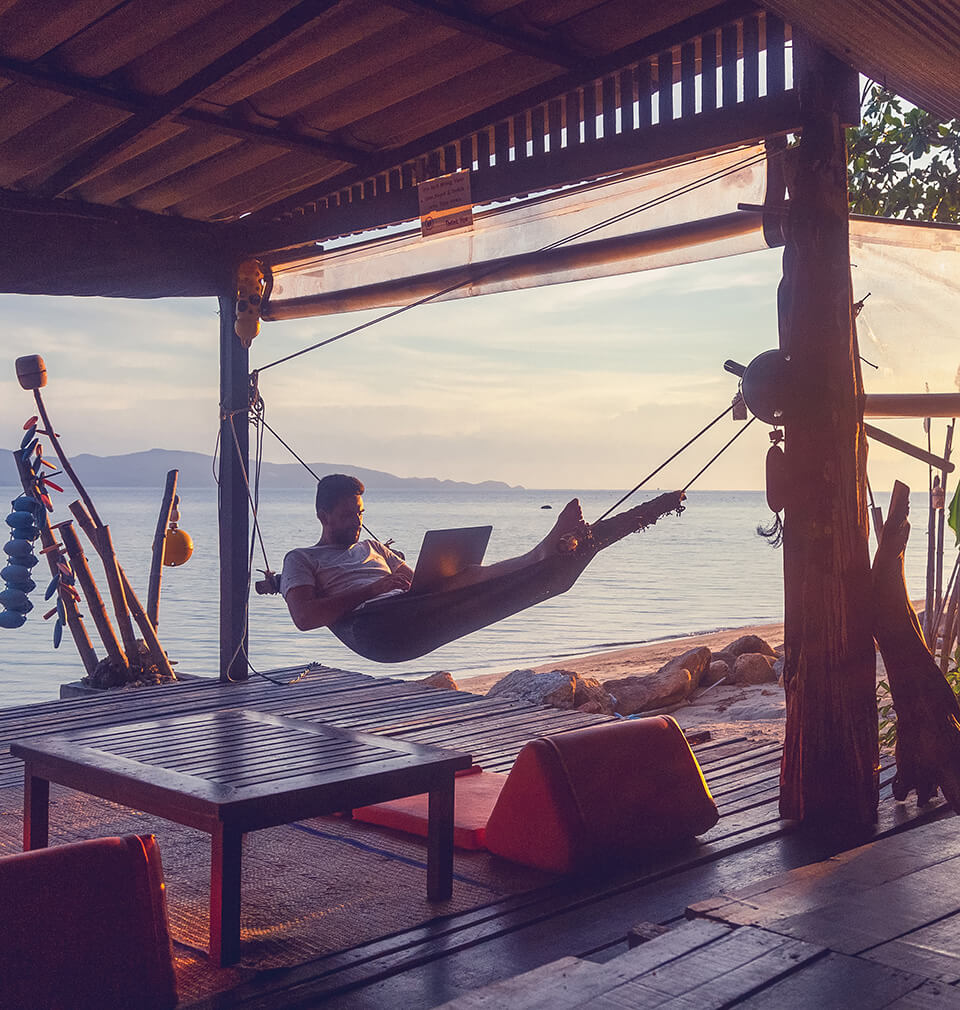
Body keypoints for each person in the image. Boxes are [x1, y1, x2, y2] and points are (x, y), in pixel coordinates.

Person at [281, 473, 683, 634]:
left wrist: (416, 575)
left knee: (464, 574)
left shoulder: (373, 547)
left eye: (360, 513)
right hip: (378, 625)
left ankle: (547, 555)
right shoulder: (301, 560)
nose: (357, 521)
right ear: (323, 515)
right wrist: (375, 589)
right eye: (348, 515)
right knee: (463, 579)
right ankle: (542, 552)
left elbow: (417, 580)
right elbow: (304, 618)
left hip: (411, 606)